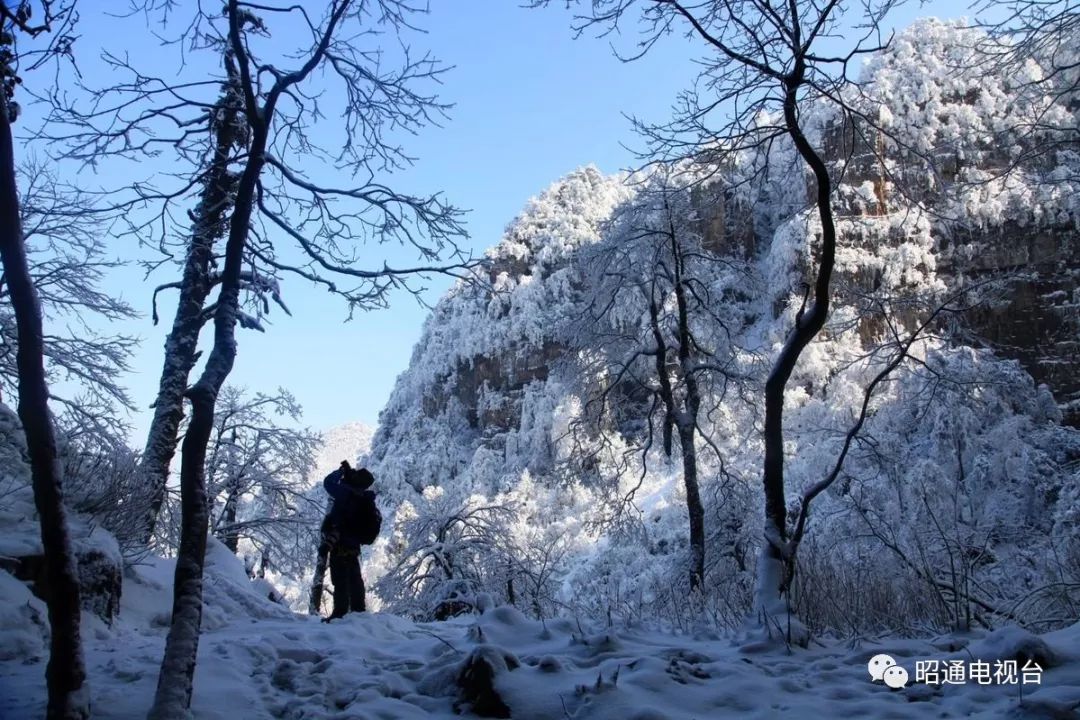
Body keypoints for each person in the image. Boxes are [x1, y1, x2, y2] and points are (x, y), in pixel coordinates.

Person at [321, 460, 377, 620]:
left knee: (340, 581)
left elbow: (328, 483)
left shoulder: (345, 492)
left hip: (339, 545)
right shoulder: (366, 498)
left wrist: (341, 471)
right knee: (355, 580)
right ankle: (359, 614)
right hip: (354, 547)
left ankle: (339, 615)